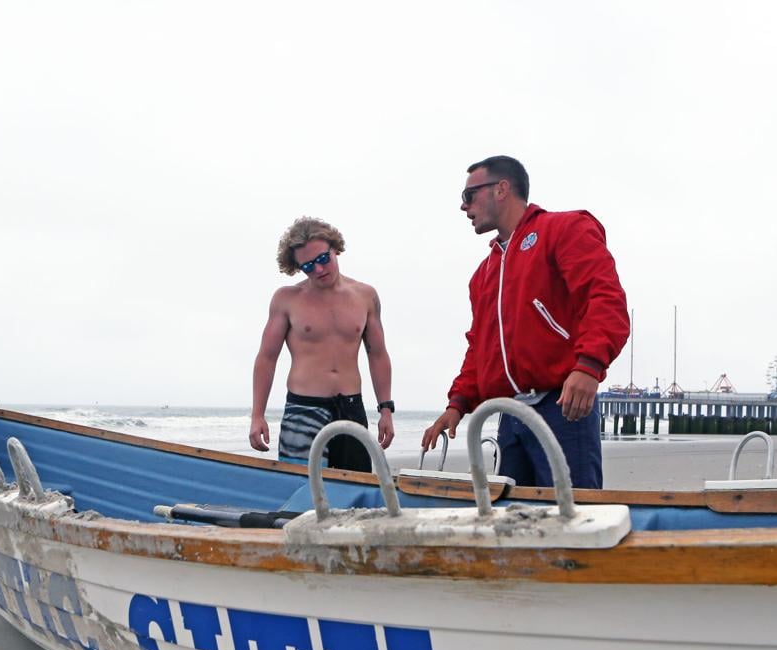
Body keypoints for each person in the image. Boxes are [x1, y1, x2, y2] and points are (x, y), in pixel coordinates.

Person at [421, 156, 629, 489]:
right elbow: (480, 347)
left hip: (563, 407)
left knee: (573, 518)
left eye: (468, 195)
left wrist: (589, 366)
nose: (464, 207)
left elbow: (605, 299)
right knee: (515, 521)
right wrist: (457, 404)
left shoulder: (563, 229)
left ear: (501, 189)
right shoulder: (483, 274)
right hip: (510, 414)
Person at [250, 216, 394, 471]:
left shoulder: (365, 296)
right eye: (308, 267)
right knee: (302, 493)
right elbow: (267, 357)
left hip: (351, 409)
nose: (318, 270)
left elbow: (378, 354)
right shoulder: (287, 299)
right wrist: (257, 415)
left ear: (335, 249)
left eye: (323, 260)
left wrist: (386, 409)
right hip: (304, 410)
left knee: (353, 499)